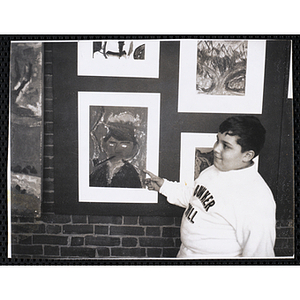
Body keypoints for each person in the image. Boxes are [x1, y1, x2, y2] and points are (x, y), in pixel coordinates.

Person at [144, 116, 276, 258]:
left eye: (226, 145)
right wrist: (164, 186)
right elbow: (195, 197)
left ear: (247, 155)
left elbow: (260, 255)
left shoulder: (257, 199)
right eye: (217, 140)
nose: (216, 149)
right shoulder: (213, 170)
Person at [90, 118, 142, 188]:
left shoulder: (131, 172)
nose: (117, 148)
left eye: (124, 144)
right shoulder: (98, 169)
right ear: (104, 144)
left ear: (133, 146)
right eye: (112, 143)